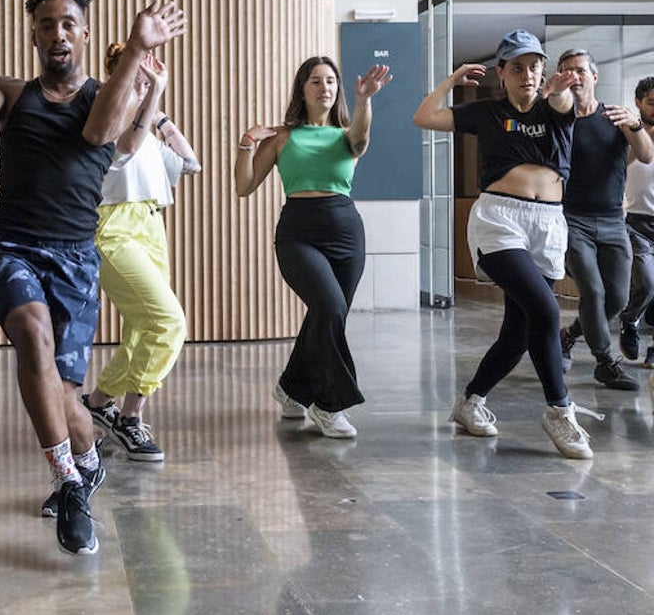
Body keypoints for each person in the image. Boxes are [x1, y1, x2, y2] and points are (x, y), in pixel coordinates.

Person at [0, 0, 186, 555]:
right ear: (33, 35)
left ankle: (87, 457)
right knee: (31, 336)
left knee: (65, 396)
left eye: (69, 24)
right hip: (13, 248)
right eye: (47, 24)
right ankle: (70, 484)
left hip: (75, 259)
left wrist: (135, 50)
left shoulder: (109, 95)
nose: (58, 33)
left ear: (84, 32)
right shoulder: (12, 92)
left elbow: (102, 133)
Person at [413, 29, 601, 459]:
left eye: (535, 65)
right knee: (547, 310)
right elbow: (424, 117)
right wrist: (452, 79)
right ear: (502, 73)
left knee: (518, 333)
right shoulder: (487, 112)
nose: (528, 74)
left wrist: (554, 91)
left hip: (549, 223)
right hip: (500, 219)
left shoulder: (558, 105)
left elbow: (562, 103)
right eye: (517, 67)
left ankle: (471, 401)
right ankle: (559, 410)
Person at [235, 56, 391, 439]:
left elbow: (361, 140)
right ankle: (328, 403)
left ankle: (292, 389)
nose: (325, 87)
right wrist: (246, 144)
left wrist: (365, 100)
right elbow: (244, 186)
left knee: (326, 316)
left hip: (346, 232)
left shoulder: (345, 133)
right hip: (298, 233)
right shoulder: (283, 137)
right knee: (330, 307)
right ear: (302, 90)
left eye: (331, 81)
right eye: (316, 82)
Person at [78, 44, 200, 467]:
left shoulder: (148, 129)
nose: (143, 86)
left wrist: (160, 113)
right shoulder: (103, 113)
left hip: (150, 224)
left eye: (147, 80)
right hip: (112, 227)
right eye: (135, 79)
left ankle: (98, 401)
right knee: (167, 323)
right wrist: (154, 95)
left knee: (141, 330)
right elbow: (125, 147)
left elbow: (191, 163)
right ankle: (131, 416)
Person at [554, 50, 653, 390]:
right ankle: (605, 362)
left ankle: (568, 336)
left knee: (618, 299)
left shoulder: (615, 117)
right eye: (566, 70)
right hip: (572, 219)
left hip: (613, 220)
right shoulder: (559, 120)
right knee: (593, 291)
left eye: (580, 69)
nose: (574, 75)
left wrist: (635, 123)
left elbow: (645, 154)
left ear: (594, 77)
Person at [616, 77, 654, 365]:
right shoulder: (627, 130)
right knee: (646, 282)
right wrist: (642, 135)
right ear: (638, 102)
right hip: (635, 220)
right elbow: (620, 164)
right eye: (652, 102)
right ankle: (629, 320)